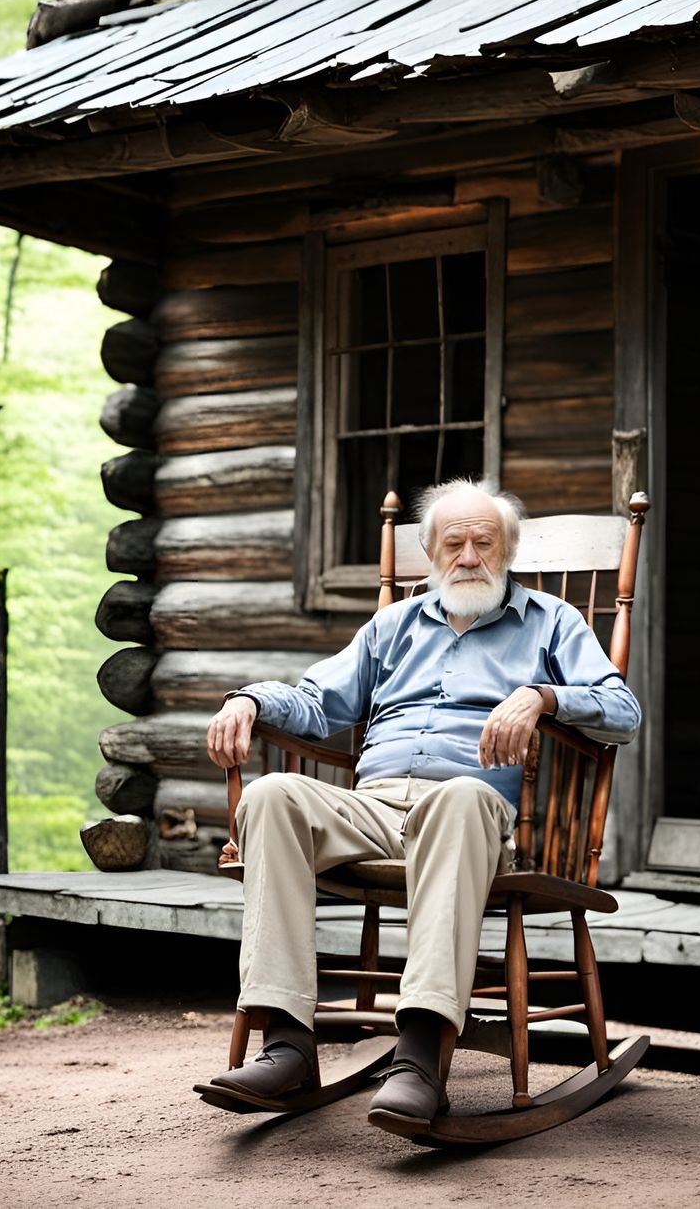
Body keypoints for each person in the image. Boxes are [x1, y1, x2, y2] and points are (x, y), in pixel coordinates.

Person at [197, 479, 640, 1131]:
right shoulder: (392, 626)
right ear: (432, 553)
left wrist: (543, 697)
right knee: (271, 794)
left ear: (506, 549)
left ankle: (421, 1058)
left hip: (467, 809)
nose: (467, 557)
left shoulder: (552, 622)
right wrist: (250, 700)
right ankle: (287, 1043)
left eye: (483, 542)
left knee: (462, 797)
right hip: (373, 807)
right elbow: (317, 704)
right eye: (452, 543)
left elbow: (622, 713)